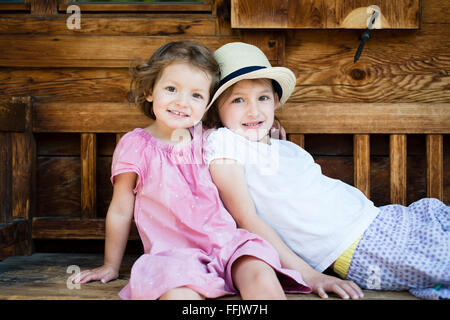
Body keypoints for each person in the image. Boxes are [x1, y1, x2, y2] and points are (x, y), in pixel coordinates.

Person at [204, 42, 449, 300]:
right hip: (356, 248)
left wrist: (266, 133)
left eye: (262, 97)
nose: (254, 110)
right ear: (216, 110)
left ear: (275, 101)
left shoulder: (284, 148)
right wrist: (309, 274)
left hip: (383, 219)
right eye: (238, 100)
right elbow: (248, 220)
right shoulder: (222, 143)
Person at [72, 41, 312, 300]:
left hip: (226, 244)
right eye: (171, 89)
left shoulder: (210, 139)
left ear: (208, 104)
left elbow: (251, 134)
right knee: (178, 294)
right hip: (173, 255)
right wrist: (111, 265)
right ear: (150, 91)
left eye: (196, 95)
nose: (182, 102)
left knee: (259, 269)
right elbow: (120, 210)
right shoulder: (136, 146)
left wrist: (269, 132)